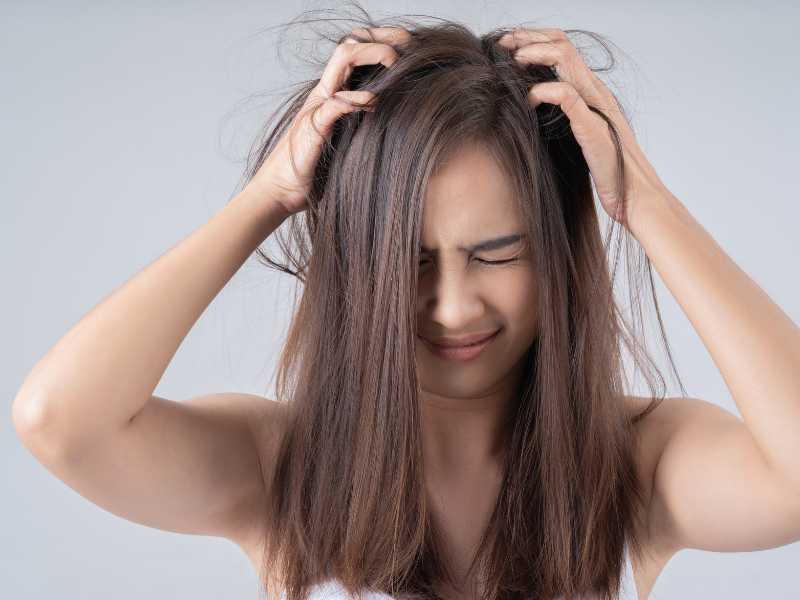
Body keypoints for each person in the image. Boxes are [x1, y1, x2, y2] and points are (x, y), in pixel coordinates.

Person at [12, 11, 800, 600]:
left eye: (499, 254)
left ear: (560, 250)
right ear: (355, 267)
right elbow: (61, 421)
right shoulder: (281, 467)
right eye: (408, 263)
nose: (453, 308)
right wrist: (269, 197)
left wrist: (644, 204)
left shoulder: (638, 461)